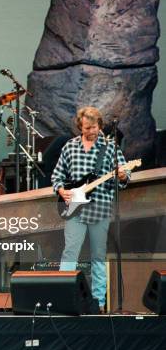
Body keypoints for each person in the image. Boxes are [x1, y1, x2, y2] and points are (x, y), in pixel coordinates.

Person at [52, 106, 129, 312]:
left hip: (100, 208)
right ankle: (62, 298)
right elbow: (57, 176)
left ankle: (99, 302)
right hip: (75, 209)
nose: (91, 131)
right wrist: (61, 191)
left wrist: (122, 176)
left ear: (100, 125)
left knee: (98, 256)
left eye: (94, 127)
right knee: (70, 253)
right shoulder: (70, 147)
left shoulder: (110, 148)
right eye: (86, 128)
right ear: (80, 127)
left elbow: (124, 179)